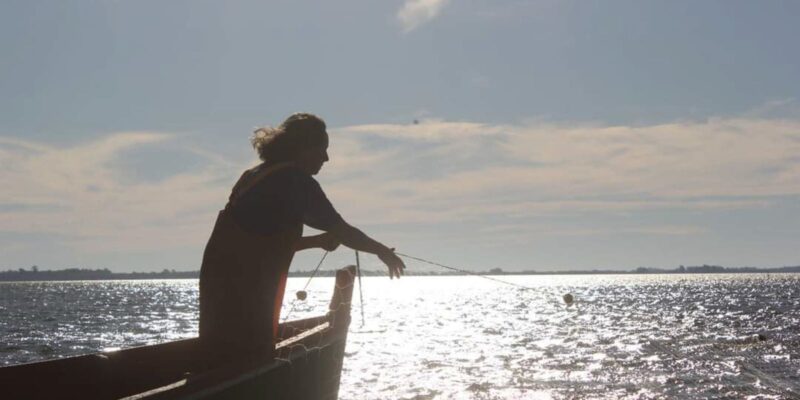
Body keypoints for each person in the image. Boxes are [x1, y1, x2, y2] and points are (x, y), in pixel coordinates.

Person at [198, 112, 405, 363]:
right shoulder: (294, 181)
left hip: (217, 291)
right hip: (245, 296)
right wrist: (382, 251)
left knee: (216, 358)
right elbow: (342, 230)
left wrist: (316, 241)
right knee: (247, 359)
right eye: (322, 149)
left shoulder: (252, 176)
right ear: (303, 148)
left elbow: (261, 242)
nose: (326, 158)